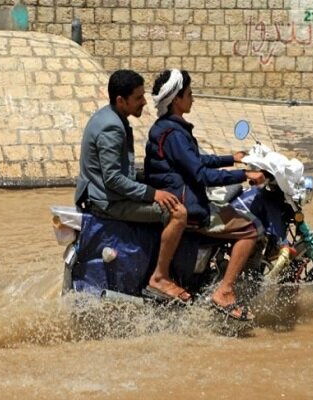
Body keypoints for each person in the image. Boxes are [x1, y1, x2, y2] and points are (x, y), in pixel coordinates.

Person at [144, 69, 266, 321]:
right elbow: (201, 175)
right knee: (250, 229)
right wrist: (244, 175)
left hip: (183, 195)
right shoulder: (175, 134)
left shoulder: (167, 129)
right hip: (188, 202)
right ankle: (225, 291)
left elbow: (195, 160)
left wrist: (231, 158)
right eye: (189, 94)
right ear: (176, 99)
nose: (193, 99)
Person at [74, 69, 190, 302]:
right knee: (178, 213)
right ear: (121, 100)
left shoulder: (108, 117)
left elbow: (120, 173)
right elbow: (114, 179)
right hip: (107, 202)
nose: (144, 102)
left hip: (102, 195)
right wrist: (152, 193)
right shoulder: (112, 127)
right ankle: (160, 277)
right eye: (138, 98)